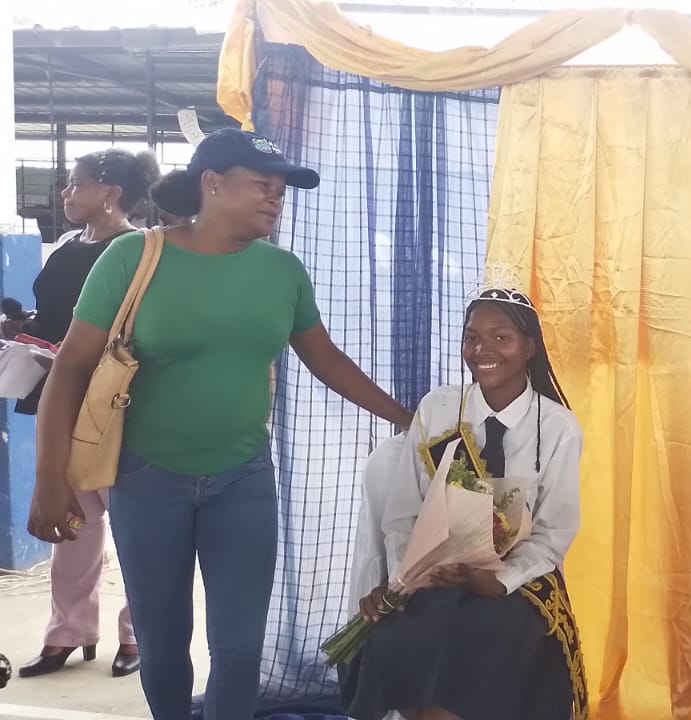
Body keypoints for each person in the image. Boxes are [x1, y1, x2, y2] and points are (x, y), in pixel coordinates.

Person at [26, 128, 412, 720]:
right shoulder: (134, 257)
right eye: (262, 185)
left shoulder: (283, 271)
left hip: (243, 480)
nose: (275, 198)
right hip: (144, 479)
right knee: (162, 643)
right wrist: (48, 479)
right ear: (211, 183)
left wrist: (410, 419)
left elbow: (327, 360)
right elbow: (70, 369)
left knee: (238, 649)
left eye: (280, 190)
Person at [341, 273, 586, 720]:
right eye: (471, 338)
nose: (482, 349)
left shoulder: (558, 428)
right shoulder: (438, 408)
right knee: (396, 640)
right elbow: (403, 514)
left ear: (530, 347)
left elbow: (553, 534)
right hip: (431, 577)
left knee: (476, 646)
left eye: (500, 337)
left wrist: (497, 580)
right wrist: (405, 579)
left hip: (515, 585)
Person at [15, 148, 160, 681]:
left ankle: (136, 631)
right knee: (71, 521)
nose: (65, 194)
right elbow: (56, 317)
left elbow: (140, 329)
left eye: (76, 184)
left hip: (115, 405)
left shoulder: (138, 251)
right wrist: (22, 332)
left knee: (137, 526)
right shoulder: (68, 247)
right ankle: (69, 630)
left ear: (111, 193)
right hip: (60, 397)